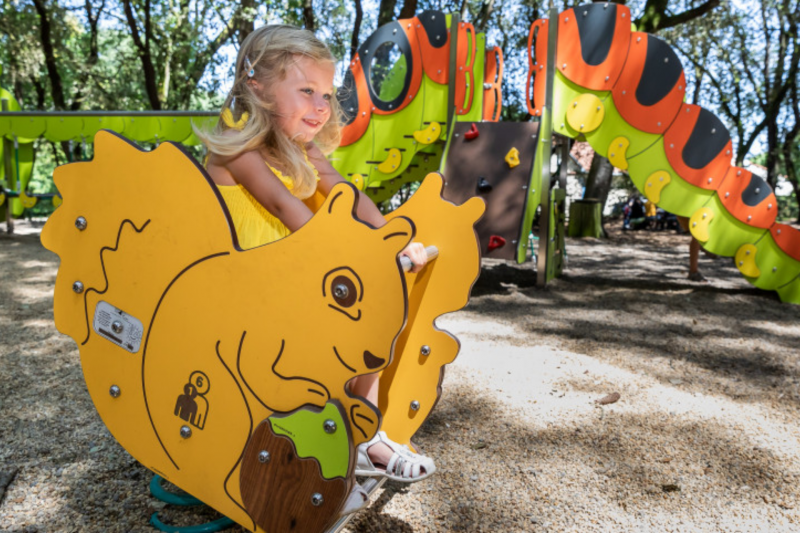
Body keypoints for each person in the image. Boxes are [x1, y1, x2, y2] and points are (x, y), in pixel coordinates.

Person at [198, 25, 435, 510]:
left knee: (373, 321)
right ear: (257, 87)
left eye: (326, 94)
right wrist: (354, 260)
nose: (322, 105)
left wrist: (396, 237)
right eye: (306, 90)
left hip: (283, 282)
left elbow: (347, 198)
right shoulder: (237, 149)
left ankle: (363, 437)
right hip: (242, 291)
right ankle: (339, 452)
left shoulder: (304, 151)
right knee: (341, 324)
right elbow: (289, 209)